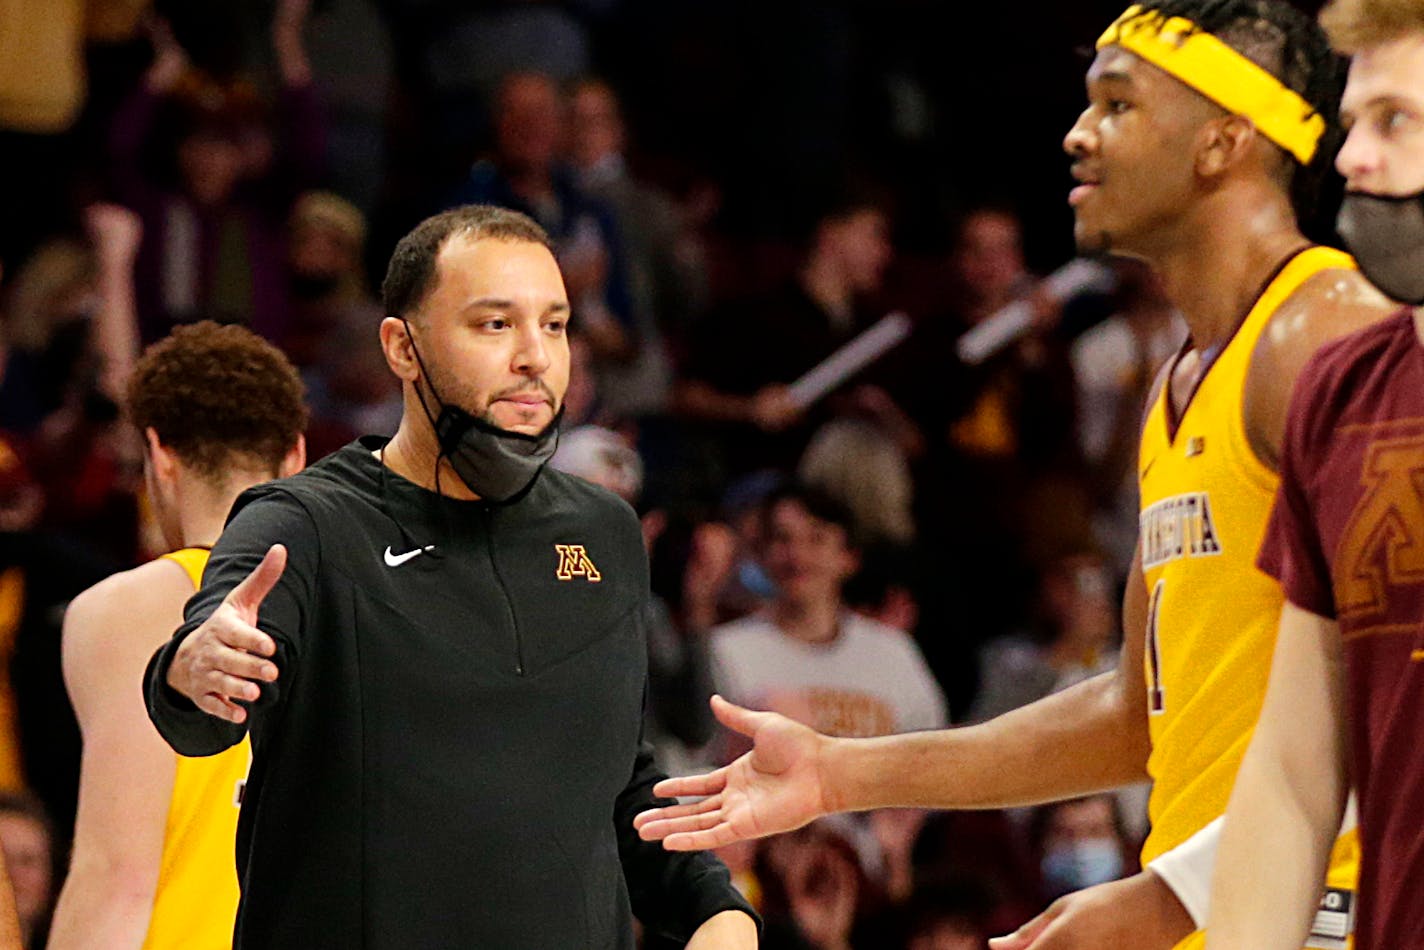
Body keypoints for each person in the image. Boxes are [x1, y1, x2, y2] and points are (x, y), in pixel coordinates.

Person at [635, 3, 1400, 948]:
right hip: (1237, 907)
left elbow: (1402, 671)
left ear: (1222, 141)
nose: (1078, 135)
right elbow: (1134, 715)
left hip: (1342, 915)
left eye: (1118, 105)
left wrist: (1170, 896)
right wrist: (843, 774)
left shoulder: (1326, 335)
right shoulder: (1180, 383)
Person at [142, 205, 758, 948]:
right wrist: (192, 668)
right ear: (403, 347)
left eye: (555, 325)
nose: (535, 356)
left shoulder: (605, 532)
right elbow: (198, 705)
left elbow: (614, 781)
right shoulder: (302, 524)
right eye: (495, 325)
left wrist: (716, 910)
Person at [1209, 3, 1424, 948]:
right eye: (1352, 125)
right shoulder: (1343, 395)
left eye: (1396, 122)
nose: (1350, 159)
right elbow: (1296, 771)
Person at [47, 322, 307, 948]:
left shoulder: (128, 609)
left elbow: (118, 878)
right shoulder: (360, 601)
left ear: (159, 455)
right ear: (296, 456)